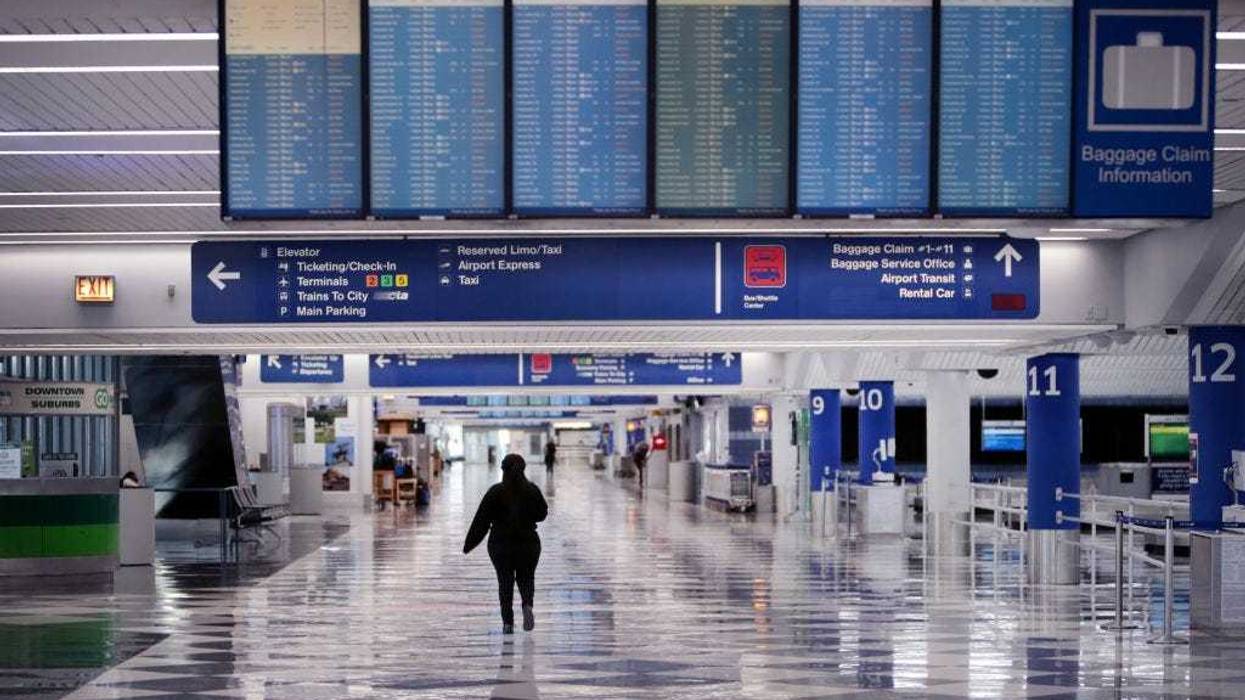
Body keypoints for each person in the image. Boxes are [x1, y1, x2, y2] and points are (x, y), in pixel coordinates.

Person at [464, 454, 548, 634]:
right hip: (528, 543)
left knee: (505, 581)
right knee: (526, 577)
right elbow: (542, 513)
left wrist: (469, 544)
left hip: (500, 543)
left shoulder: (495, 491)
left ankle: (508, 623)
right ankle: (527, 604)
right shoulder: (532, 490)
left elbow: (481, 520)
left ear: (503, 470)